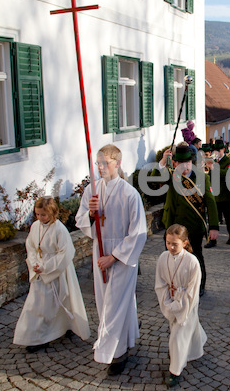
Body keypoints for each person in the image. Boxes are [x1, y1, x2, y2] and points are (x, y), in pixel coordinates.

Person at [76, 144, 147, 375]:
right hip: (100, 251)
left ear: (117, 162)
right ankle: (124, 342)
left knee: (114, 304)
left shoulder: (129, 193)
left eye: (105, 163)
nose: (100, 167)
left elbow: (138, 232)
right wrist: (90, 212)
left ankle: (115, 354)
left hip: (121, 257)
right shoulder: (92, 191)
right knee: (104, 300)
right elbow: (80, 220)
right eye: (98, 163)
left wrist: (114, 257)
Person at [14, 197, 90, 353]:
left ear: (53, 213)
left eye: (43, 215)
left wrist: (47, 267)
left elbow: (66, 253)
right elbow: (31, 246)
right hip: (39, 270)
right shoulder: (35, 226)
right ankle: (37, 335)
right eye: (37, 214)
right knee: (37, 304)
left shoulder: (60, 229)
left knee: (55, 302)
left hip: (55, 271)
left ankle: (59, 329)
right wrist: (35, 263)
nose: (40, 218)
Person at [159, 143, 219, 297]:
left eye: (187, 163)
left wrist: (213, 226)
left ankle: (200, 285)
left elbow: (210, 202)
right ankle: (177, 285)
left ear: (191, 162)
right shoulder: (173, 176)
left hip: (194, 227)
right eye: (180, 163)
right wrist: (162, 162)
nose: (184, 166)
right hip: (175, 227)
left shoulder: (202, 177)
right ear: (175, 163)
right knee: (174, 259)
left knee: (196, 257)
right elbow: (156, 180)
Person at [155, 224, 207, 388]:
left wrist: (179, 305)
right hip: (170, 301)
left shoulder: (192, 262)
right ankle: (197, 348)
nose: (170, 247)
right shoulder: (163, 258)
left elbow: (192, 291)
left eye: (174, 244)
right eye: (168, 242)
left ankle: (174, 371)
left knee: (178, 336)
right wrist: (167, 303)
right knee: (186, 331)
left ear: (184, 243)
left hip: (187, 305)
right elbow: (160, 283)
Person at [204, 139, 230, 247]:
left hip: (226, 195)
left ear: (223, 149)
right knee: (213, 218)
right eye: (215, 150)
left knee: (228, 218)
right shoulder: (213, 161)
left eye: (218, 150)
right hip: (214, 195)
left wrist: (214, 168)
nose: (216, 152)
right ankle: (212, 240)